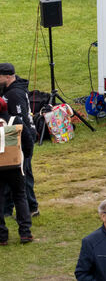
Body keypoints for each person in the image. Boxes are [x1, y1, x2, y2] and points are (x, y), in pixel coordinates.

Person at [0, 62, 37, 222]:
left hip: (20, 139)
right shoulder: (8, 90)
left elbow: (21, 121)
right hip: (12, 139)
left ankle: (32, 208)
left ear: (8, 76)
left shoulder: (14, 94)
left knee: (24, 175)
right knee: (10, 174)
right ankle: (8, 209)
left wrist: (23, 143)